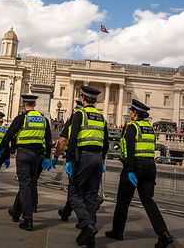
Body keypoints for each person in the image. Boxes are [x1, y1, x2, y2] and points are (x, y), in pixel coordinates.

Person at [105, 99, 173, 248]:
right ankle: (163, 233)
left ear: (135, 113)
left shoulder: (132, 127)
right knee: (148, 201)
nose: (130, 113)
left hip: (135, 167)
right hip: (150, 167)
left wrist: (128, 171)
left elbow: (129, 152)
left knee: (123, 201)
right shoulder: (150, 128)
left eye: (131, 111)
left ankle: (117, 231)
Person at [0, 94, 52, 231]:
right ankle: (16, 212)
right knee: (27, 183)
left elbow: (8, 135)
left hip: (23, 154)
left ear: (24, 104)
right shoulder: (43, 120)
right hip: (37, 156)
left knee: (25, 185)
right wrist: (47, 157)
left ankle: (28, 219)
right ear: (34, 105)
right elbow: (48, 140)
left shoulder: (21, 118)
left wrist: (1, 149)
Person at [65, 86, 109, 247]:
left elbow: (73, 138)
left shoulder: (79, 114)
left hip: (83, 157)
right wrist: (102, 159)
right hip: (98, 158)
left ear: (83, 98)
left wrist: (69, 159)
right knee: (91, 196)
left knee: (74, 193)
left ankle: (87, 224)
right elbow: (106, 143)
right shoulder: (101, 117)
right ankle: (91, 240)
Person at [53, 100, 83, 221]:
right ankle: (67, 212)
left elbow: (63, 140)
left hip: (76, 158)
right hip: (92, 159)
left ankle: (85, 222)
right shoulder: (98, 118)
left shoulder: (73, 120)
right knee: (86, 190)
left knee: (74, 189)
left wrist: (56, 156)